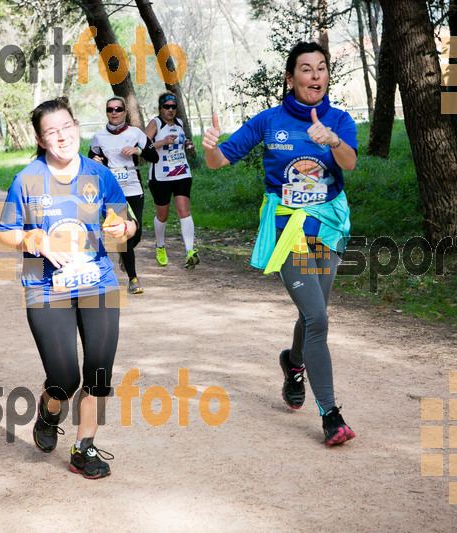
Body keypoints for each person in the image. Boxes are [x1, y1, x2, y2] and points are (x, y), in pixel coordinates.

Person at [202, 42, 358, 446]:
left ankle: (293, 363)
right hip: (289, 231)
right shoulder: (268, 122)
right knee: (318, 320)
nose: (316, 76)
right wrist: (209, 148)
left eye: (321, 68)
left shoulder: (339, 119)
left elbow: (350, 163)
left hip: (327, 227)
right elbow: (221, 161)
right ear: (290, 79)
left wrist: (332, 142)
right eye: (306, 69)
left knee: (313, 314)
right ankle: (331, 415)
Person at [0, 97, 137, 479]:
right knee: (65, 379)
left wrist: (122, 229)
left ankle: (83, 448)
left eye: (67, 127)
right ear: (41, 140)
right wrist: (35, 242)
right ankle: (49, 407)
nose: (62, 136)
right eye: (51, 132)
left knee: (99, 373)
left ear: (77, 126)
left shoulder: (100, 175)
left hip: (97, 282)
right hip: (46, 288)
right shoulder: (27, 179)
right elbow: (4, 233)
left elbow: (128, 224)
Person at [88, 96, 158, 294]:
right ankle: (133, 278)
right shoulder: (99, 137)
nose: (114, 112)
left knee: (136, 235)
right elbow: (90, 159)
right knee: (123, 235)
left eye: (118, 109)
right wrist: (95, 160)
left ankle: (123, 254)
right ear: (107, 112)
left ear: (125, 112)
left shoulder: (136, 133)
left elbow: (154, 156)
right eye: (110, 109)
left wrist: (137, 150)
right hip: (112, 194)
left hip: (134, 189)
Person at [144, 92, 199, 269]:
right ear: (160, 108)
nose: (170, 110)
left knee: (184, 211)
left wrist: (188, 146)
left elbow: (181, 144)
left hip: (182, 173)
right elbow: (143, 147)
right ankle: (160, 246)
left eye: (173, 107)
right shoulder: (156, 123)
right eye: (166, 106)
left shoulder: (180, 124)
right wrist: (162, 142)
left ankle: (190, 251)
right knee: (163, 215)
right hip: (160, 176)